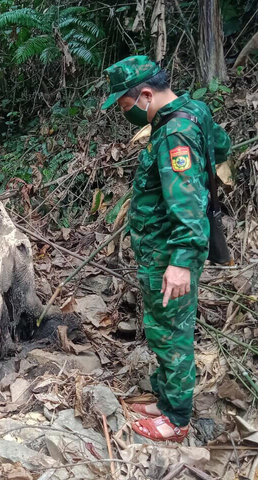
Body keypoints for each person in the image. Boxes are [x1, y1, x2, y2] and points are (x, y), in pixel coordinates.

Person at [101, 55, 231, 442]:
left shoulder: (174, 134)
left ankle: (176, 419)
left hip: (169, 254)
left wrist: (180, 263)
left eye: (125, 107)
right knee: (163, 328)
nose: (125, 115)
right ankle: (164, 396)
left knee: (171, 332)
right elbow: (221, 147)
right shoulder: (194, 110)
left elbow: (188, 205)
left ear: (144, 94)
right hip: (166, 250)